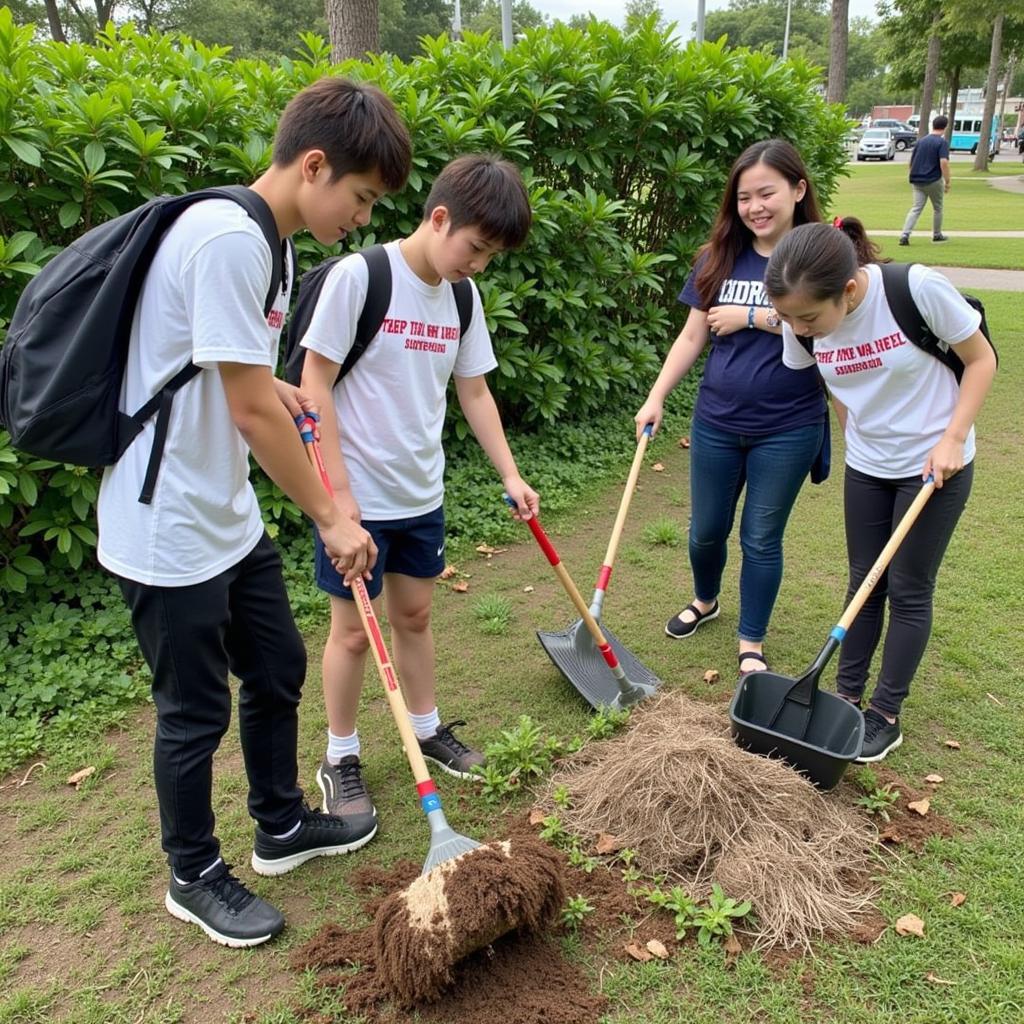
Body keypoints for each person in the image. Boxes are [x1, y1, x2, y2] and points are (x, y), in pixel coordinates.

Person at [96, 77, 412, 947]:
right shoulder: (229, 239)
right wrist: (332, 517)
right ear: (315, 165)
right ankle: (193, 874)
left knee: (275, 668)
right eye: (360, 196)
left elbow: (220, 370)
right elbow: (244, 412)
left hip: (224, 515)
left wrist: (272, 385)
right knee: (192, 714)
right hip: (166, 526)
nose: (361, 217)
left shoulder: (269, 244)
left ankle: (280, 825)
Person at [298, 154, 538, 831]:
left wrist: (511, 474)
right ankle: (340, 756)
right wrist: (337, 498)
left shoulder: (462, 297)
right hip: (356, 502)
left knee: (415, 617)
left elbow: (474, 390)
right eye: (476, 247)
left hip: (418, 495)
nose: (481, 264)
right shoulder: (362, 278)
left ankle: (428, 729)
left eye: (492, 255)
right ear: (439, 218)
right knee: (350, 634)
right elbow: (314, 385)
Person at [765, 219, 997, 762]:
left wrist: (952, 437)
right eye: (788, 318)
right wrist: (855, 431)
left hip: (936, 465)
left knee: (908, 588)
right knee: (864, 582)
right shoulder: (798, 321)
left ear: (847, 290)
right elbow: (827, 378)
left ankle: (884, 715)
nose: (799, 330)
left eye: (808, 318)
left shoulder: (913, 289)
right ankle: (845, 696)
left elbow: (981, 359)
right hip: (869, 465)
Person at [634, 140, 828, 678]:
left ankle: (752, 640)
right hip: (717, 421)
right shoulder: (717, 256)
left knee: (761, 536)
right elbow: (692, 335)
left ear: (798, 189)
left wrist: (752, 315)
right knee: (705, 530)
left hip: (789, 426)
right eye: (744, 197)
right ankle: (705, 599)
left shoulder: (817, 256)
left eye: (767, 192)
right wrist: (656, 397)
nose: (756, 207)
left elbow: (834, 329)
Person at [899, 115, 951, 246]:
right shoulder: (942, 142)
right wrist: (947, 181)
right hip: (933, 179)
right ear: (945, 127)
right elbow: (943, 162)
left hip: (917, 179)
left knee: (916, 208)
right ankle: (937, 234)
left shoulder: (921, 141)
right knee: (937, 208)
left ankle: (905, 234)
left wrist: (911, 173)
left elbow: (912, 160)